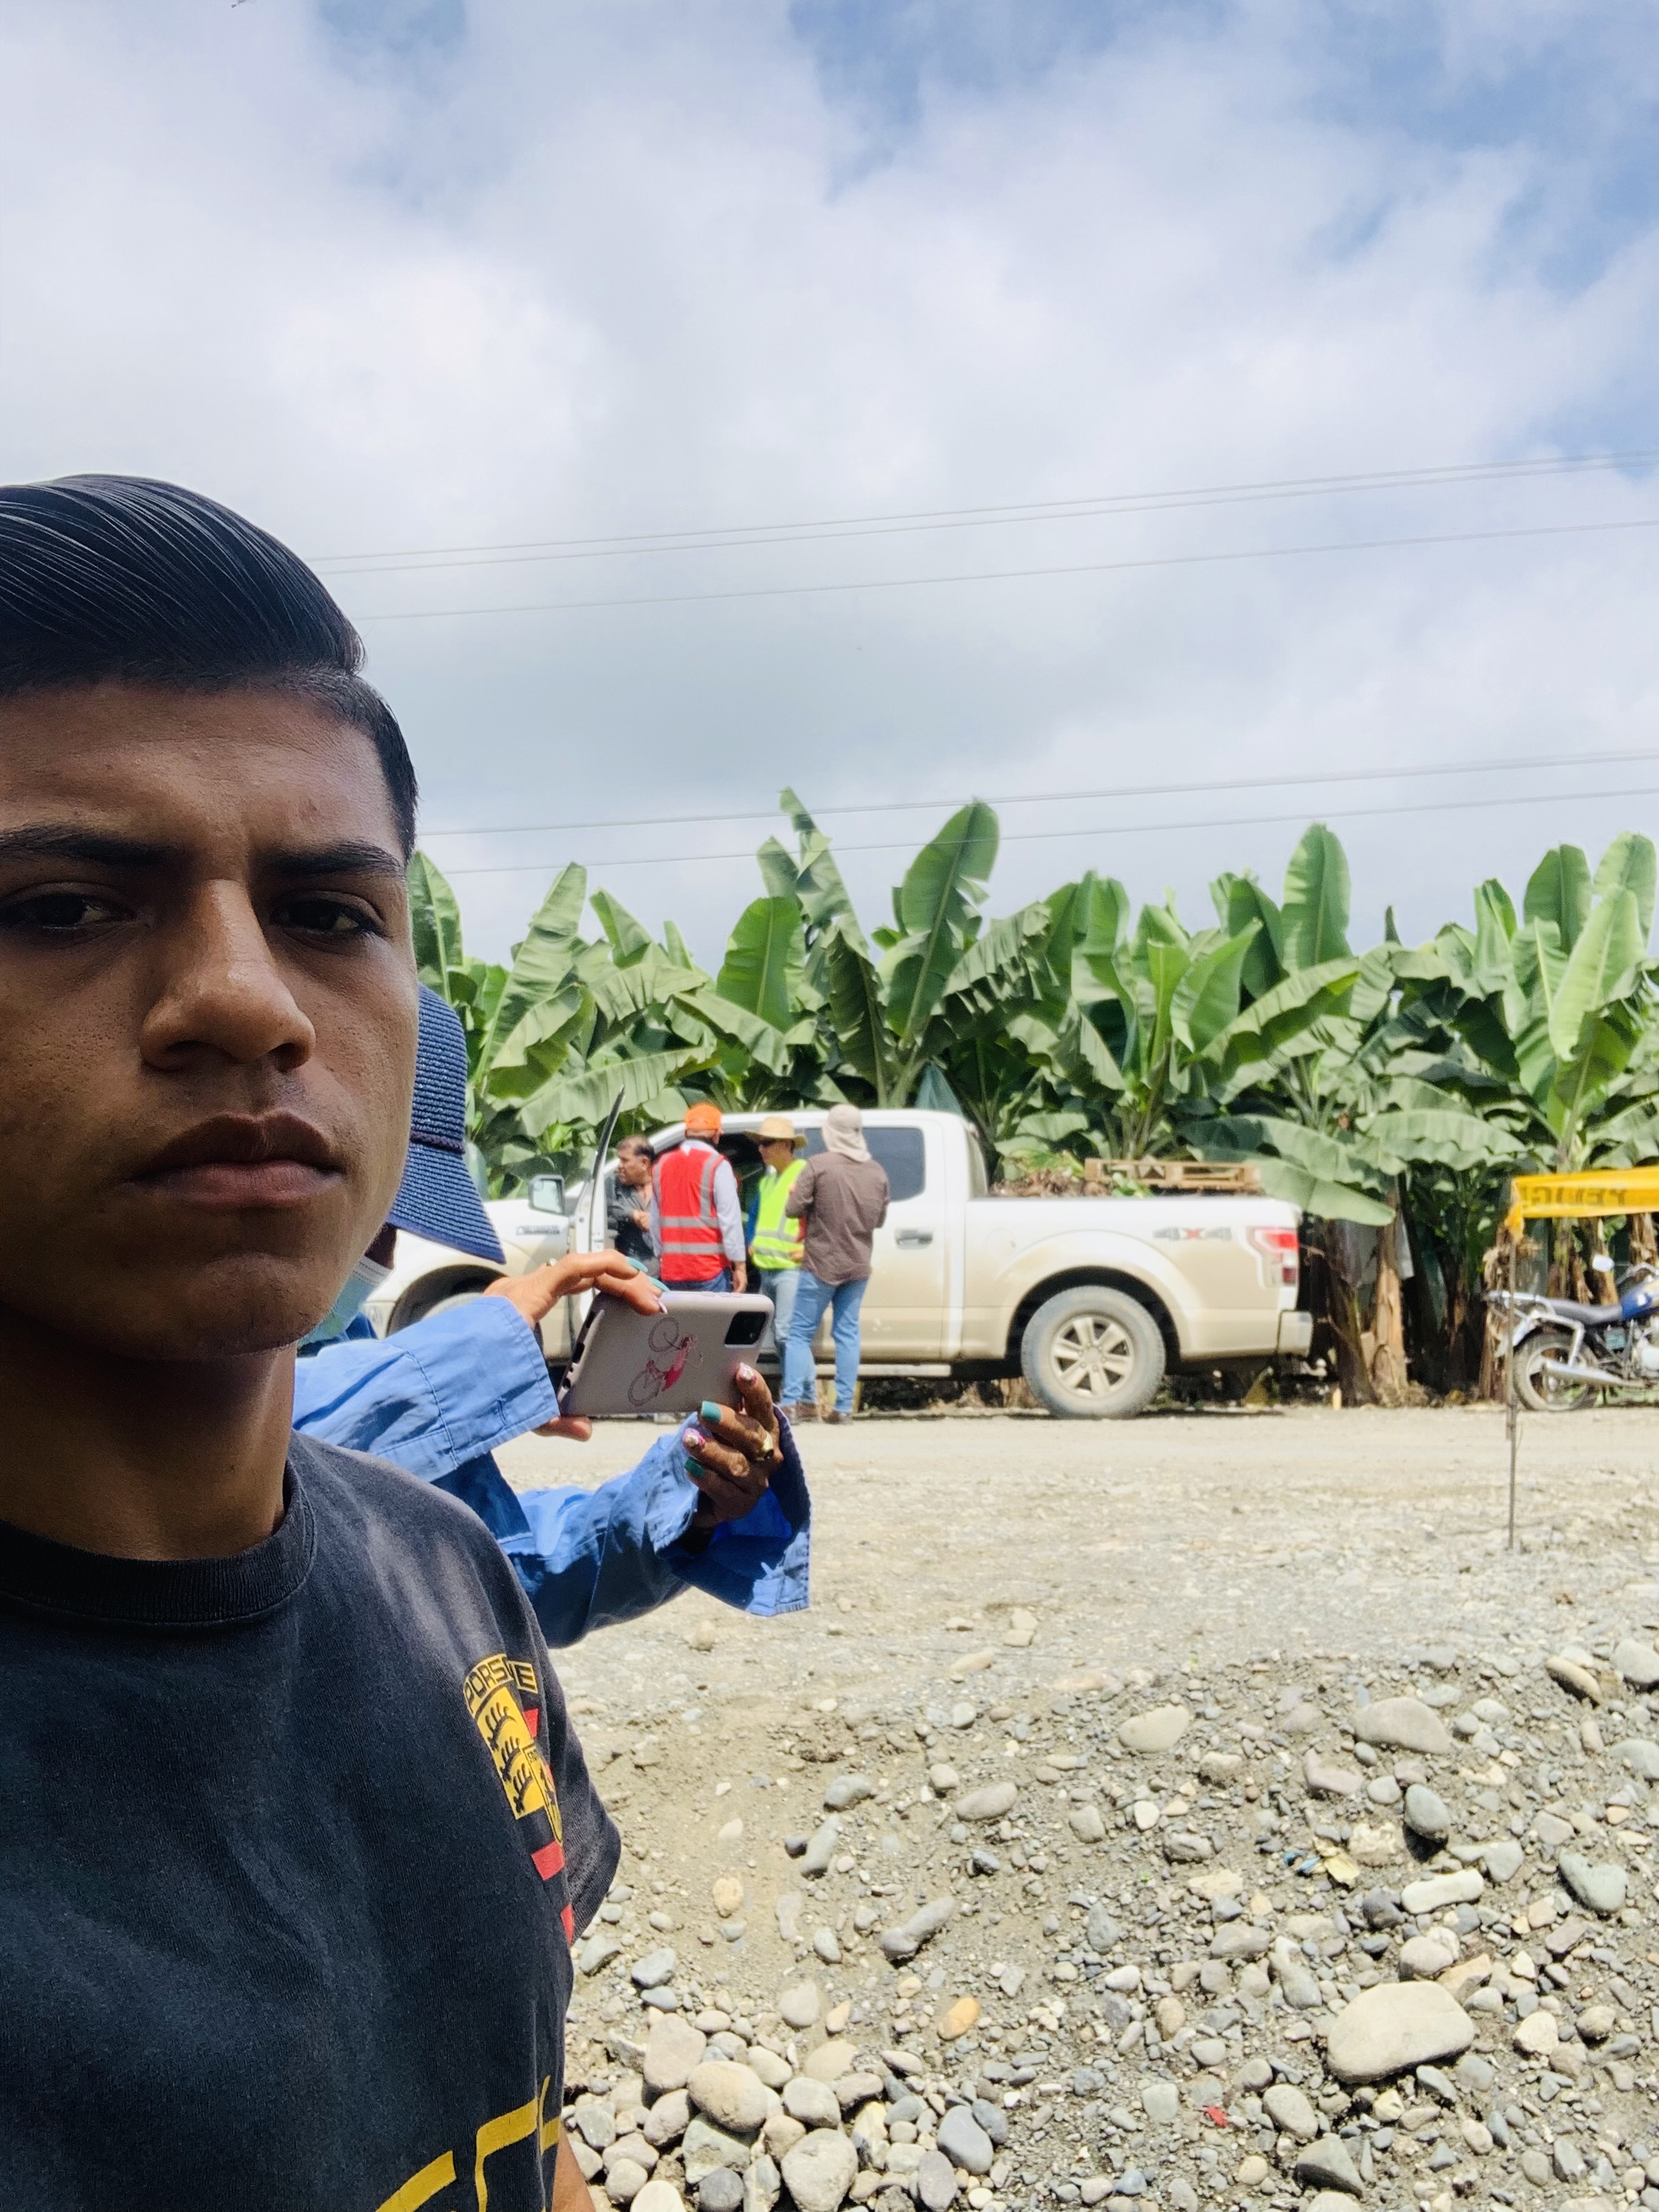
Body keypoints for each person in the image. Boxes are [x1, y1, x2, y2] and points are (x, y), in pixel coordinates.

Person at [0, 470, 787, 2209]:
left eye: (331, 914)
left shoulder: (444, 1581)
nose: (249, 997)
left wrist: (686, 1506)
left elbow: (522, 2127)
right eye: (61, 905)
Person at [292, 1014, 809, 1640]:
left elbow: (492, 1562)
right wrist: (477, 1355)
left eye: (397, 1220)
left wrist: (687, 1503)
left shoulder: (342, 1340)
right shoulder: (184, 1361)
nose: (388, 1252)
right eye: (375, 1216)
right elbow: (264, 1462)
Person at [781, 1103, 890, 1423]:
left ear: (831, 1133)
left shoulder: (818, 1166)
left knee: (799, 1334)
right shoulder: (877, 1172)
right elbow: (879, 1220)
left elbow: (792, 1209)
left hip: (820, 1264)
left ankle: (791, 1403)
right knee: (847, 1334)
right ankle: (843, 1408)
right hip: (858, 1265)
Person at [651, 1100, 746, 1292]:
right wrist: (740, 1266)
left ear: (686, 1133)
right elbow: (730, 1220)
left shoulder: (661, 1165)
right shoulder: (718, 1165)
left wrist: (662, 1255)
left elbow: (654, 1220)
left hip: (672, 1272)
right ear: (717, 1135)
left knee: (677, 1314)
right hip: (710, 1271)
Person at [746, 1112, 807, 1350]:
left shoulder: (804, 1175)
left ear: (785, 1145)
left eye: (767, 1143)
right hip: (767, 1268)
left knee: (785, 1335)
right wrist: (751, 1240)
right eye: (760, 1143)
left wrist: (811, 1249)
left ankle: (797, 1377)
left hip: (791, 1268)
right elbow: (754, 1215)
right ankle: (792, 1376)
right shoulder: (768, 1182)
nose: (760, 1149)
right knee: (777, 1334)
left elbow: (825, 1216)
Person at [605, 1133, 658, 1266]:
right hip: (628, 1269)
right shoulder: (613, 1183)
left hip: (664, 1271)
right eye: (619, 1160)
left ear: (644, 1163)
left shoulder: (665, 1184)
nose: (619, 1166)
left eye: (625, 1160)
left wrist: (655, 1221)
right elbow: (604, 1206)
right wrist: (632, 1214)